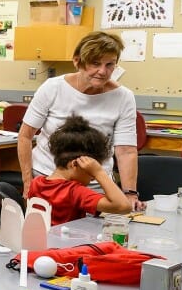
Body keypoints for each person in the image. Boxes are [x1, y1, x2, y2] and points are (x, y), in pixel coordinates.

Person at [17, 31, 143, 210]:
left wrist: (130, 193)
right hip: (48, 178)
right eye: (95, 63)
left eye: (110, 65)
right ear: (77, 61)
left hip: (95, 183)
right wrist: (28, 181)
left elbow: (126, 151)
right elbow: (25, 136)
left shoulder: (124, 97)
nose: (103, 71)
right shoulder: (53, 87)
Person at [28, 114, 130, 225]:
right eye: (91, 172)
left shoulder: (36, 183)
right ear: (74, 165)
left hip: (38, 240)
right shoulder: (75, 192)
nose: (92, 179)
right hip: (67, 242)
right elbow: (124, 206)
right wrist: (99, 173)